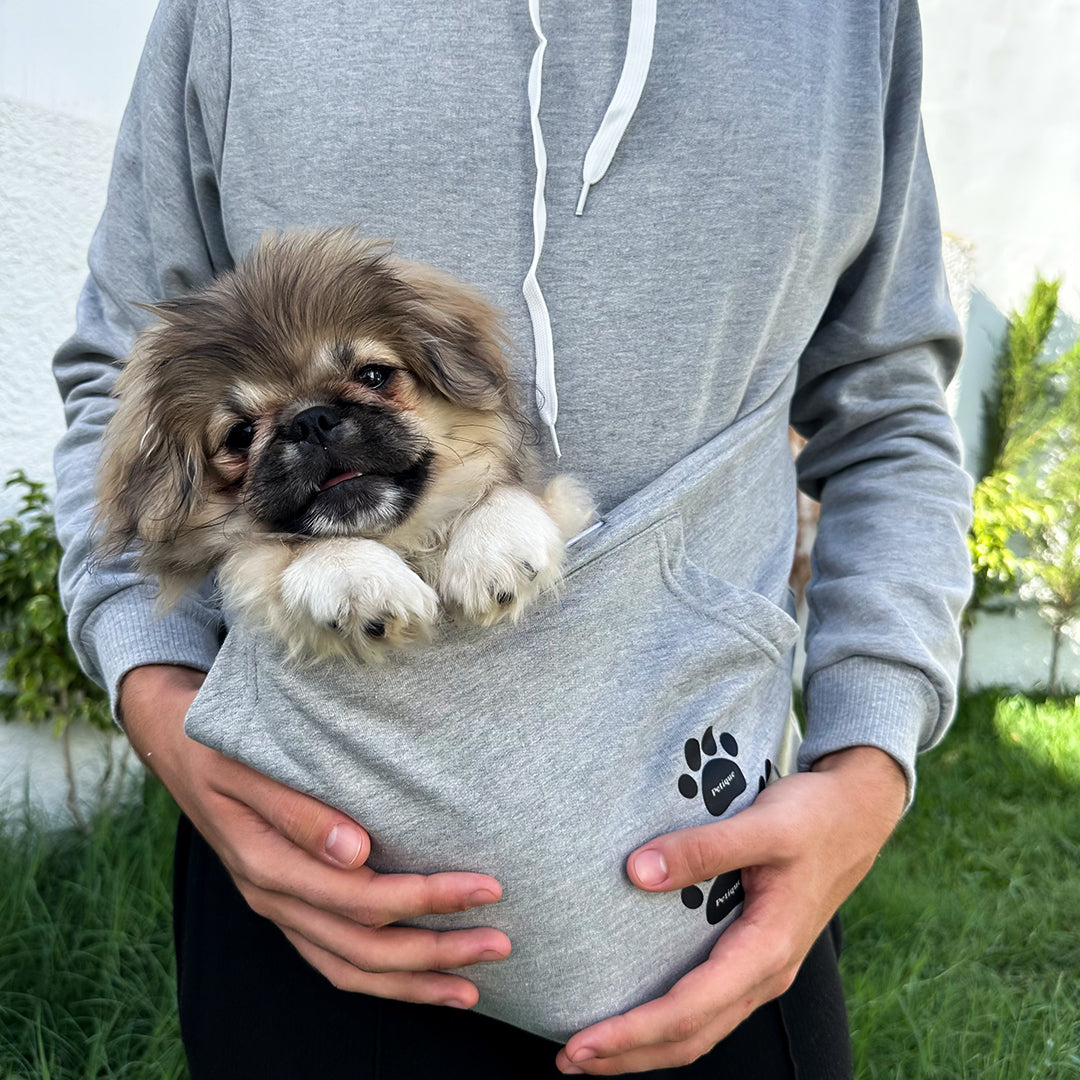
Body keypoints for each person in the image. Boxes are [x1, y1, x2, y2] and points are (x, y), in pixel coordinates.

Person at [52, 0, 972, 1076]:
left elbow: (892, 415)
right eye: (248, 433)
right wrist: (158, 697)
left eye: (370, 376)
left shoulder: (843, 21)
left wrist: (869, 766)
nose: (308, 428)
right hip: (311, 872)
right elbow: (117, 375)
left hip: (715, 867)